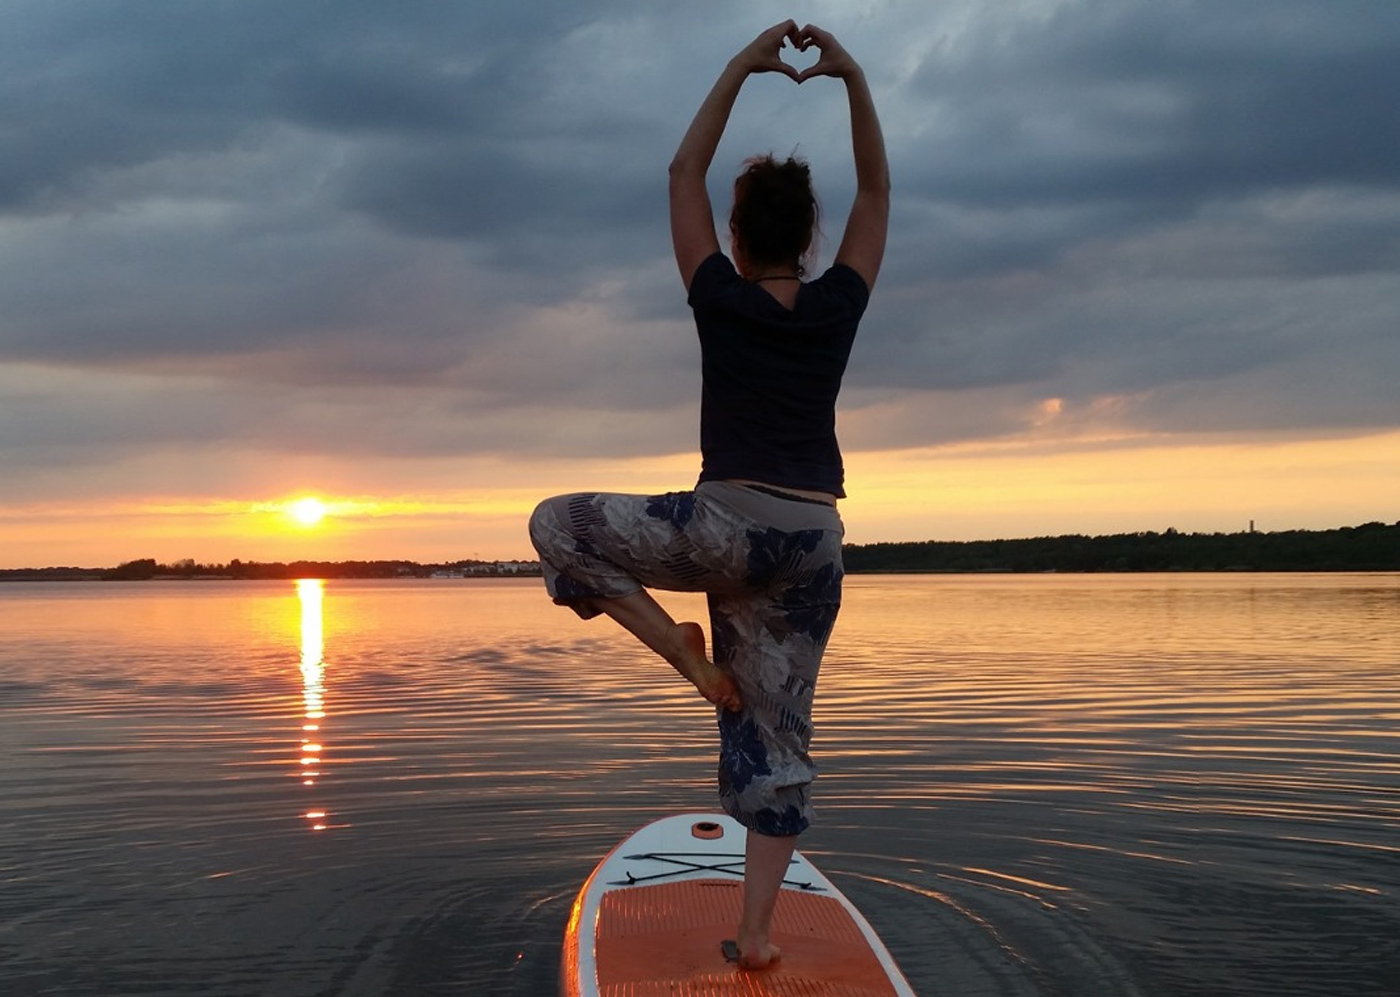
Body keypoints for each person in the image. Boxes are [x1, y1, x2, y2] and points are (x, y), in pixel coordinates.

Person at [528, 20, 888, 970]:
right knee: (781, 743)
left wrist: (741, 64)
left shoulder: (717, 295)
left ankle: (683, 658)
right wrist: (849, 78)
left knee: (556, 525)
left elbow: (683, 173)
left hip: (724, 528)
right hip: (813, 543)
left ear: (734, 235)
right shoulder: (839, 303)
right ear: (811, 237)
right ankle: (758, 935)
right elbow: (880, 192)